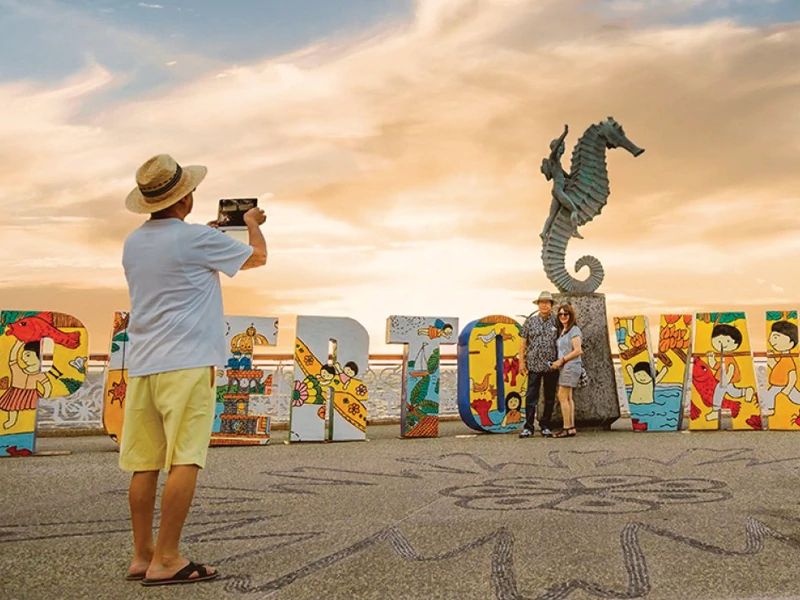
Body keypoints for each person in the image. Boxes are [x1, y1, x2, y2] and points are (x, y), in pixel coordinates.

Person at [119, 154, 267, 586]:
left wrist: (211, 236)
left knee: (144, 464)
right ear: (185, 198)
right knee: (185, 459)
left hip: (144, 364)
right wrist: (253, 222)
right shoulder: (196, 240)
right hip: (187, 364)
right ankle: (168, 559)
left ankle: (142, 554)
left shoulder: (134, 242)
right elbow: (256, 257)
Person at [518, 291, 559, 438]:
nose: (544, 305)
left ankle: (545, 426)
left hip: (551, 365)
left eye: (547, 302)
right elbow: (522, 342)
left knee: (549, 397)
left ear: (551, 305)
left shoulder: (557, 321)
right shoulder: (530, 321)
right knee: (531, 396)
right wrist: (521, 361)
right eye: (541, 302)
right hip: (533, 364)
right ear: (538, 304)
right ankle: (528, 427)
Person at [551, 303, 583, 438]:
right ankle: (571, 428)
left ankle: (566, 427)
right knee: (569, 397)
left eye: (566, 314)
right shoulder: (564, 331)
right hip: (567, 366)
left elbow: (578, 350)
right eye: (560, 314)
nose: (563, 316)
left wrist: (561, 360)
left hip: (570, 366)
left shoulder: (574, 330)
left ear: (571, 315)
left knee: (562, 396)